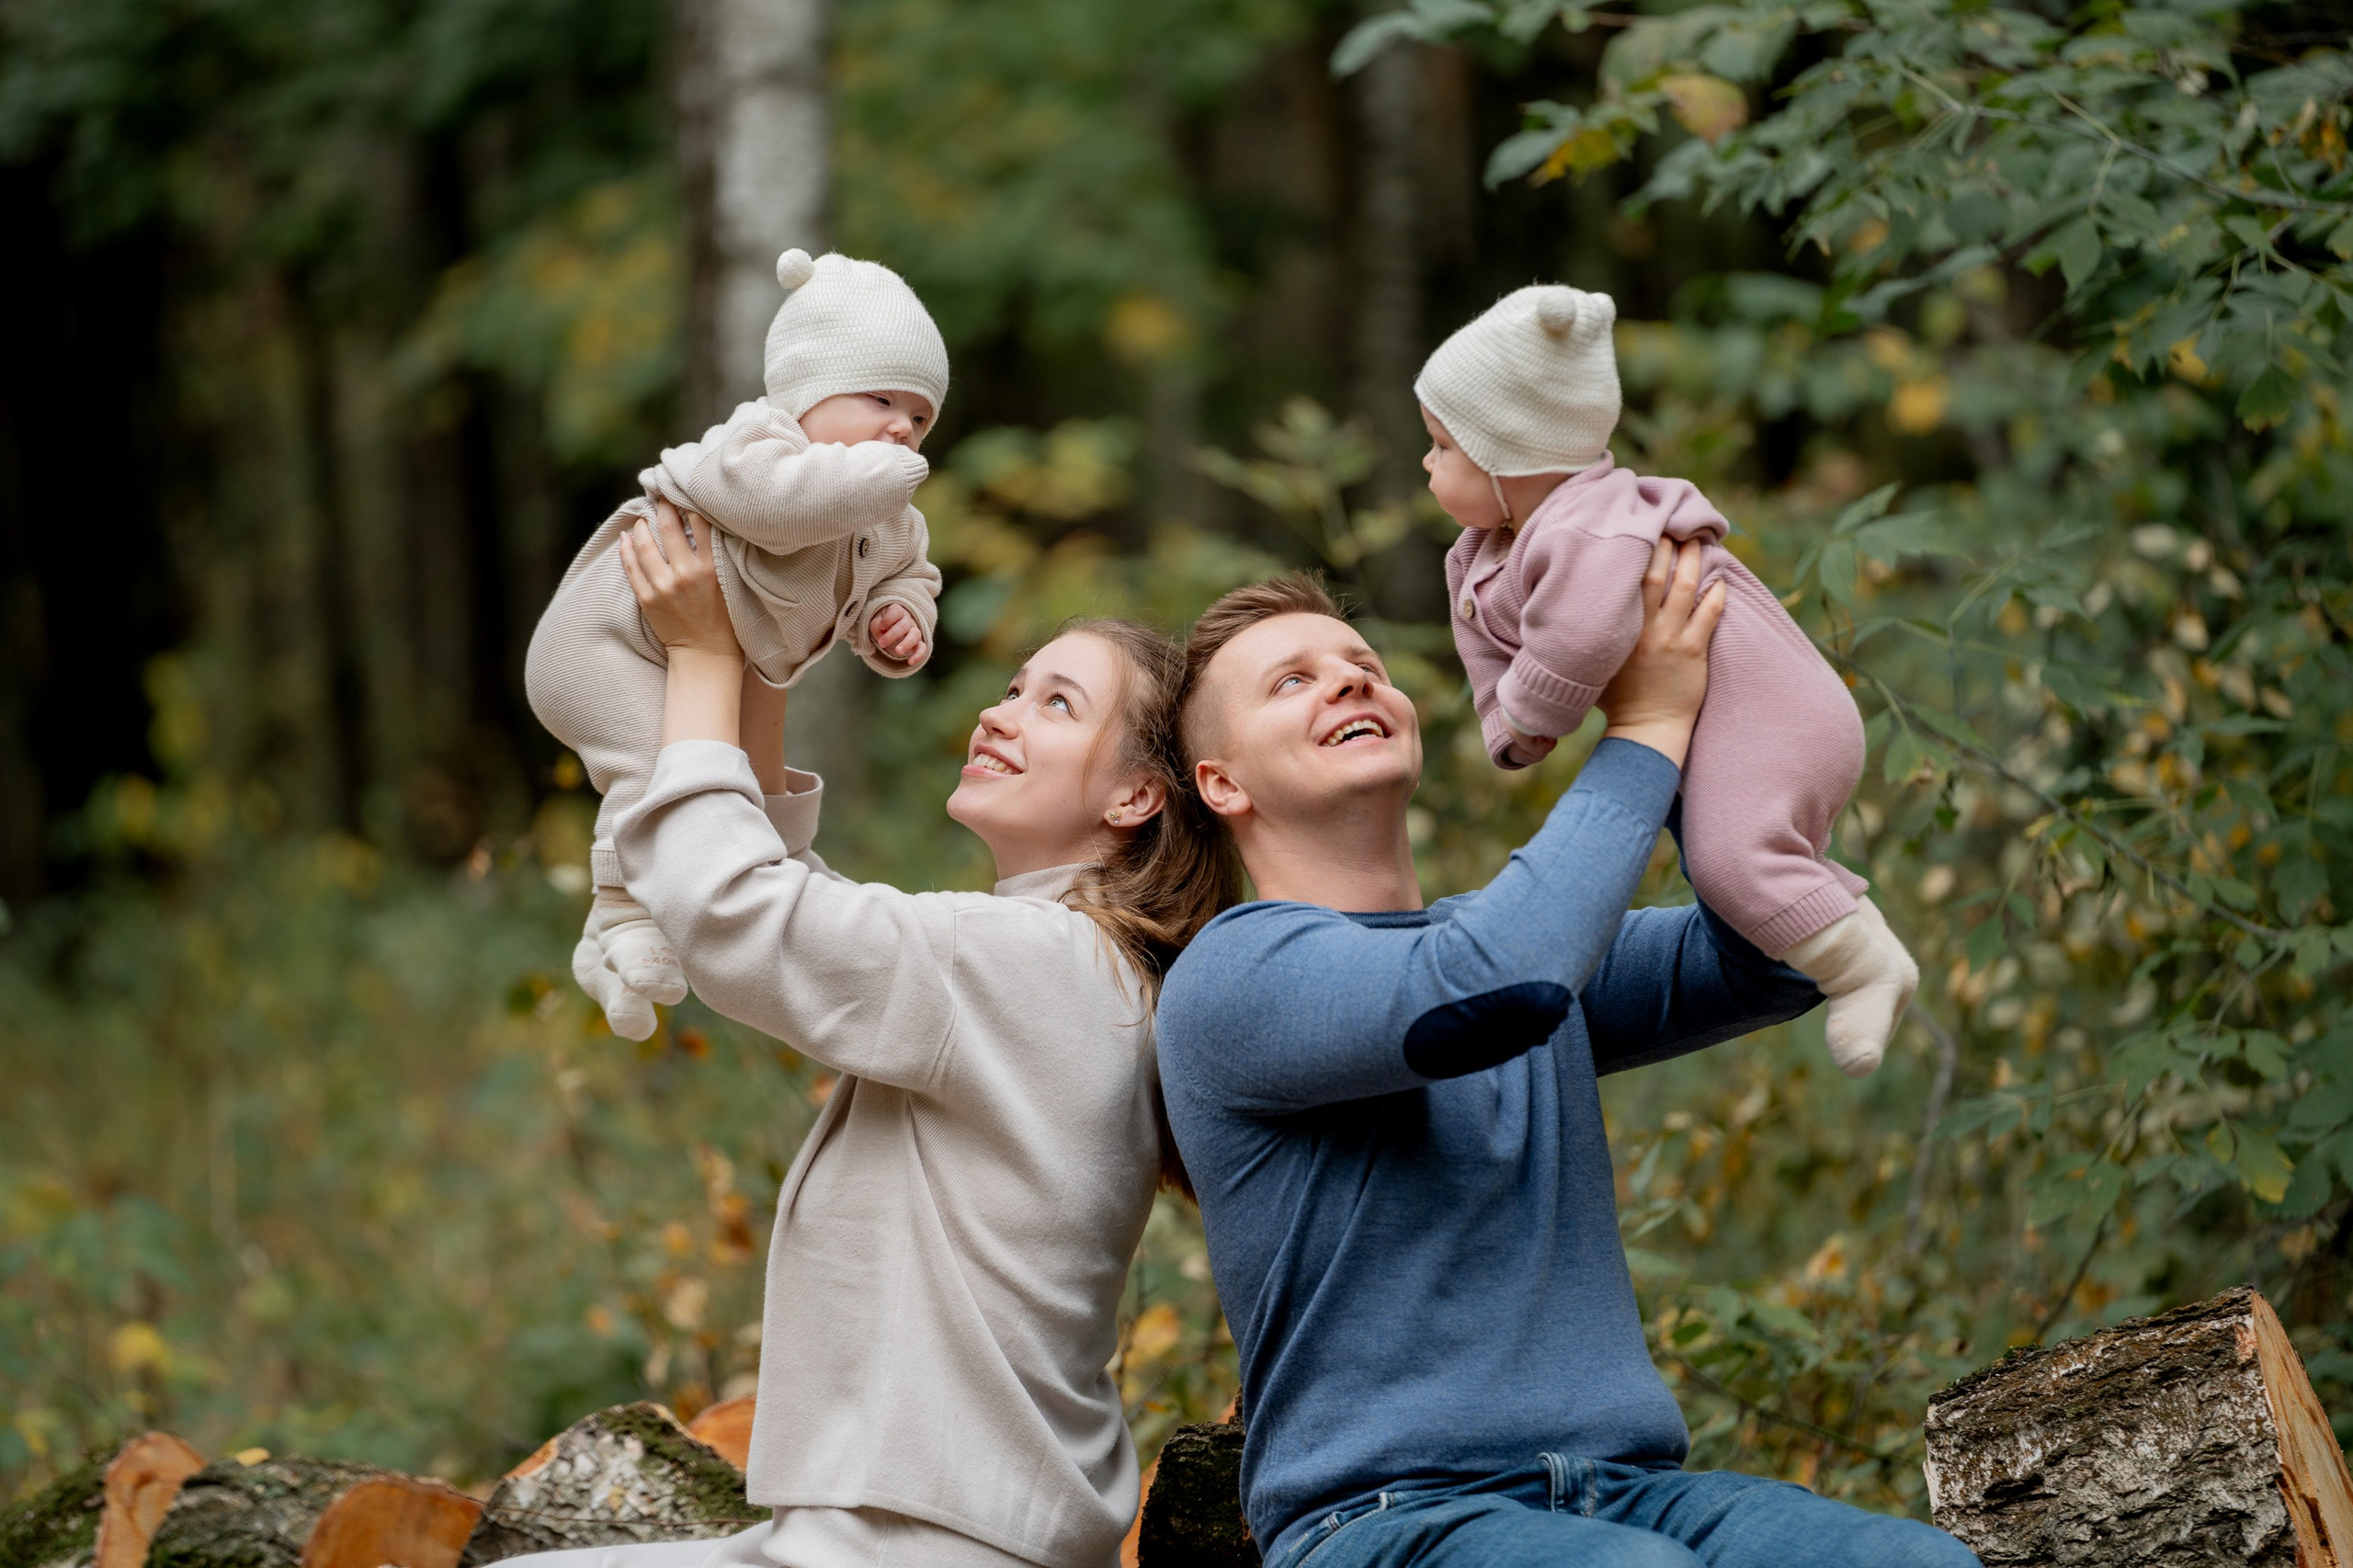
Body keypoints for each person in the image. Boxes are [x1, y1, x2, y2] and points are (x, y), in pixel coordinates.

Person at [1154, 563, 1977, 1568]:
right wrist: (1641, 731)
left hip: (1628, 1495)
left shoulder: (1505, 949)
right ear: (1222, 782)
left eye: (1363, 664)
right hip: (1382, 1519)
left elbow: (1775, 955)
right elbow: (1488, 988)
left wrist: (1706, 692)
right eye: (1292, 679)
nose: (1350, 681)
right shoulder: (1235, 973)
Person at [517, 497, 1236, 1568]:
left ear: (1138, 792)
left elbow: (738, 916)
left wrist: (707, 658)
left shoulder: (1039, 964)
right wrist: (763, 659)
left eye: (1056, 701)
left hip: (930, 1542)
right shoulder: (1063, 958)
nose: (1001, 713)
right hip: (906, 1531)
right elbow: (782, 910)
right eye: (1010, 686)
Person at [1418, 282, 1915, 1076]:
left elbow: (1584, 634)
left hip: (1776, 713)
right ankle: (1854, 927)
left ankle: (1862, 968)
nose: (1426, 462)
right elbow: (1484, 633)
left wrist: (1529, 712)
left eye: (1442, 446)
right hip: (1743, 716)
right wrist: (1506, 725)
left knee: (1729, 861)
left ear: (1509, 458)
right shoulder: (1488, 549)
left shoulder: (1587, 523)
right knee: (1743, 868)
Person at [528, 249, 948, 1040]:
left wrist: (900, 620)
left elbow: (909, 575)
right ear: (806, 394)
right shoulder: (758, 447)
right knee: (653, 771)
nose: (903, 428)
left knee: (722, 793)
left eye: (921, 418)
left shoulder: (888, 518)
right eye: (881, 399)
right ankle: (625, 916)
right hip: (604, 639)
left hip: (696, 655)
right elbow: (783, 510)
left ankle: (602, 945)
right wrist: (882, 478)